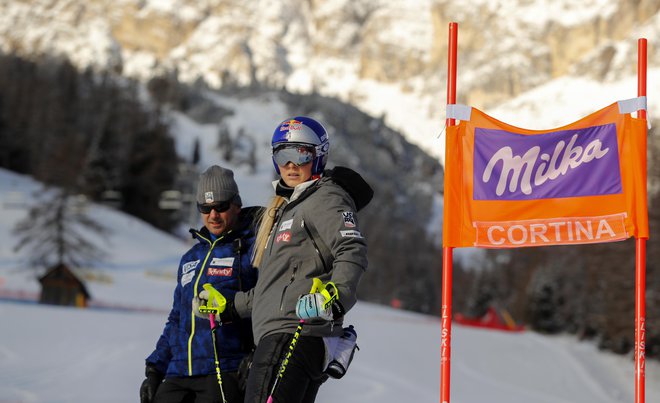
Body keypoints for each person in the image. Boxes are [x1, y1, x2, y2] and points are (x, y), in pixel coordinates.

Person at [229, 116, 373, 403]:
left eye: (301, 154)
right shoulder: (289, 208)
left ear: (318, 155)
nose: (291, 165)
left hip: (294, 333)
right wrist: (229, 307)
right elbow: (276, 287)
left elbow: (351, 248)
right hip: (278, 334)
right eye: (282, 154)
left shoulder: (325, 197)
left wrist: (335, 296)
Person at [140, 165, 260, 403]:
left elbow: (266, 302)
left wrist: (258, 357)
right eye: (205, 208)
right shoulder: (191, 258)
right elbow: (177, 319)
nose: (213, 215)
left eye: (221, 207)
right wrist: (156, 368)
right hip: (178, 370)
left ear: (236, 205)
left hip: (224, 369)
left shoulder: (252, 250)